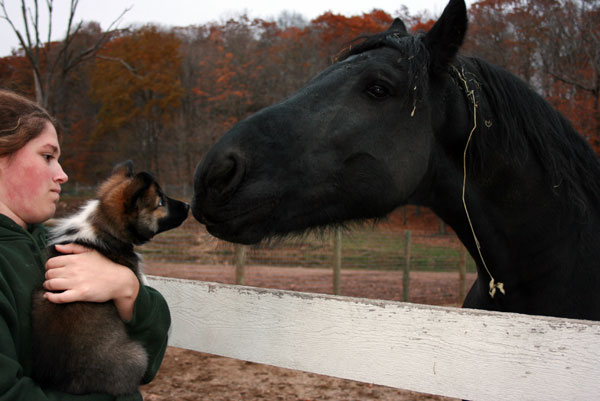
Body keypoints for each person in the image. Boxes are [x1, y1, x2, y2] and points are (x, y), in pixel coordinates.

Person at [0, 89, 171, 401]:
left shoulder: (54, 243)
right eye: (47, 157)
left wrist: (127, 288)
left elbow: (147, 361)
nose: (63, 175)